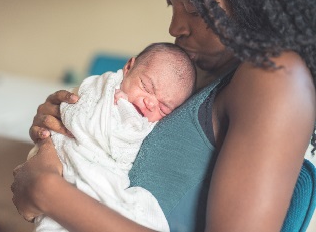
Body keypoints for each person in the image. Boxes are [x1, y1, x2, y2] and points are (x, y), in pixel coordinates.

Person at [11, 0, 316, 231]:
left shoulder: (277, 78)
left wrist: (48, 192)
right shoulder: (200, 74)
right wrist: (63, 132)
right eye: (171, 5)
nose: (175, 27)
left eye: (194, 7)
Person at [28, 42, 196, 232]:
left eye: (163, 108)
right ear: (129, 67)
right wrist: (108, 105)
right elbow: (79, 115)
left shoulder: (149, 122)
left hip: (101, 192)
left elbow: (128, 145)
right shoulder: (104, 86)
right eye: (146, 87)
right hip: (68, 165)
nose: (149, 103)